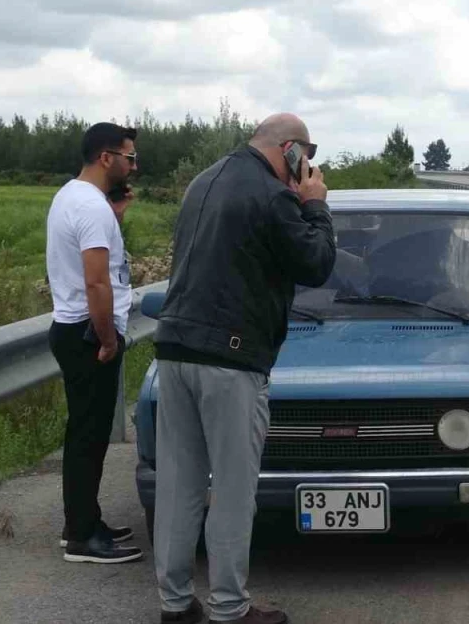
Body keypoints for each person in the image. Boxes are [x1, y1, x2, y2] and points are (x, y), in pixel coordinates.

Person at [151, 113, 336, 624]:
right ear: (291, 150)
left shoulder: (203, 181)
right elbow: (317, 263)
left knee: (179, 485)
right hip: (231, 360)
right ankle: (229, 608)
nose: (309, 165)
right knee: (233, 490)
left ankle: (174, 603)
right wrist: (315, 205)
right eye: (308, 155)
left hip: (175, 349)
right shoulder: (273, 196)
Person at [45, 121, 144, 565]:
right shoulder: (91, 207)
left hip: (73, 328)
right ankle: (82, 537)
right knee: (89, 436)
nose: (133, 166)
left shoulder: (73, 197)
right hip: (88, 332)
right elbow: (97, 282)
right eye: (129, 157)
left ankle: (83, 522)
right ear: (107, 158)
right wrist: (106, 339)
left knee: (85, 432)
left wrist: (115, 216)